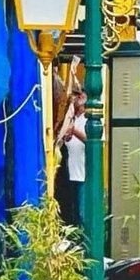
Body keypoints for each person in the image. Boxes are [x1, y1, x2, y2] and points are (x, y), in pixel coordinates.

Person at [56, 90, 86, 226]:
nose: (79, 96)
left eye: (82, 94)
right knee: (71, 211)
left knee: (82, 213)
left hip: (83, 173)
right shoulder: (72, 118)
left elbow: (91, 140)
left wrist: (74, 131)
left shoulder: (89, 119)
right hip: (70, 173)